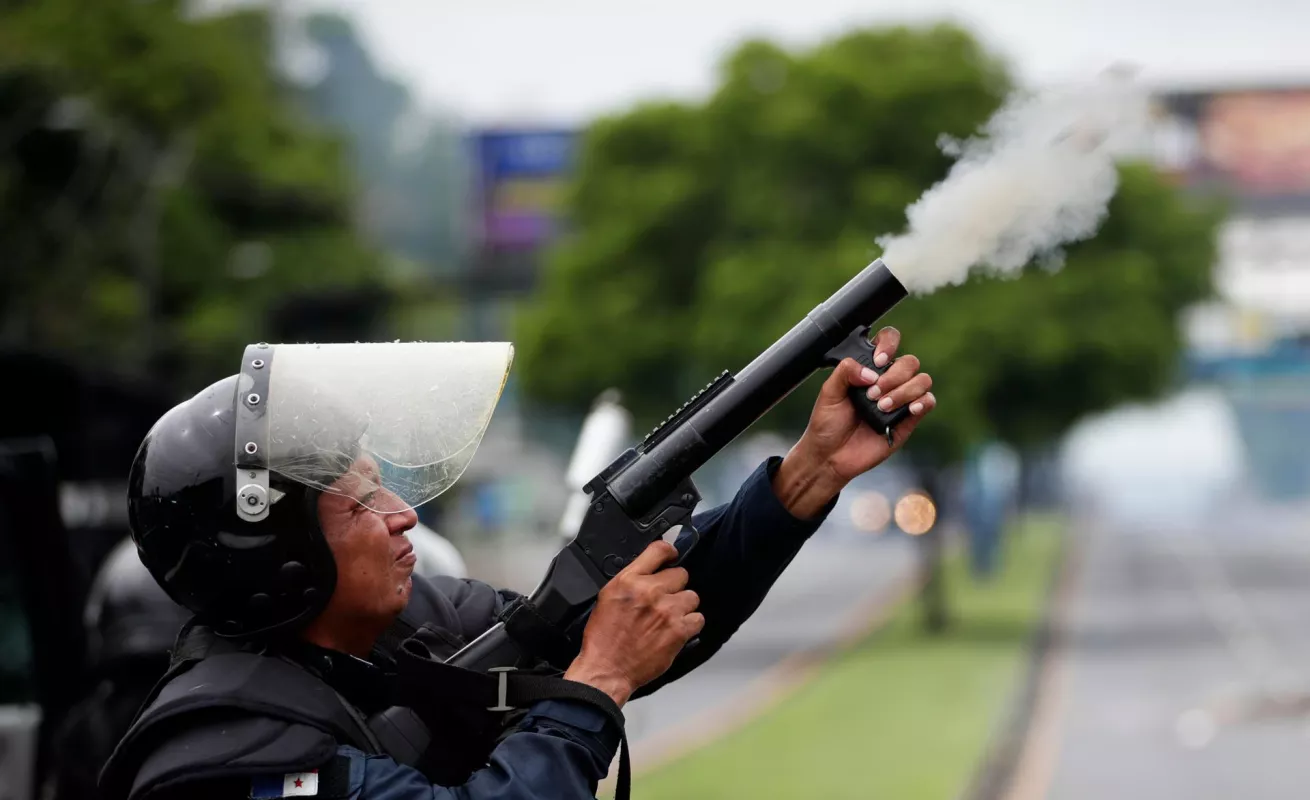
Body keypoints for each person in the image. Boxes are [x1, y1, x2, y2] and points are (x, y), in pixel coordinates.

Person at [100, 333, 935, 800]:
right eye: (359, 503)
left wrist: (809, 475)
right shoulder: (220, 759)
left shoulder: (402, 624)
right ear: (279, 559)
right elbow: (590, 672)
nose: (405, 516)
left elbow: (629, 619)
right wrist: (598, 684)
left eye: (383, 484)